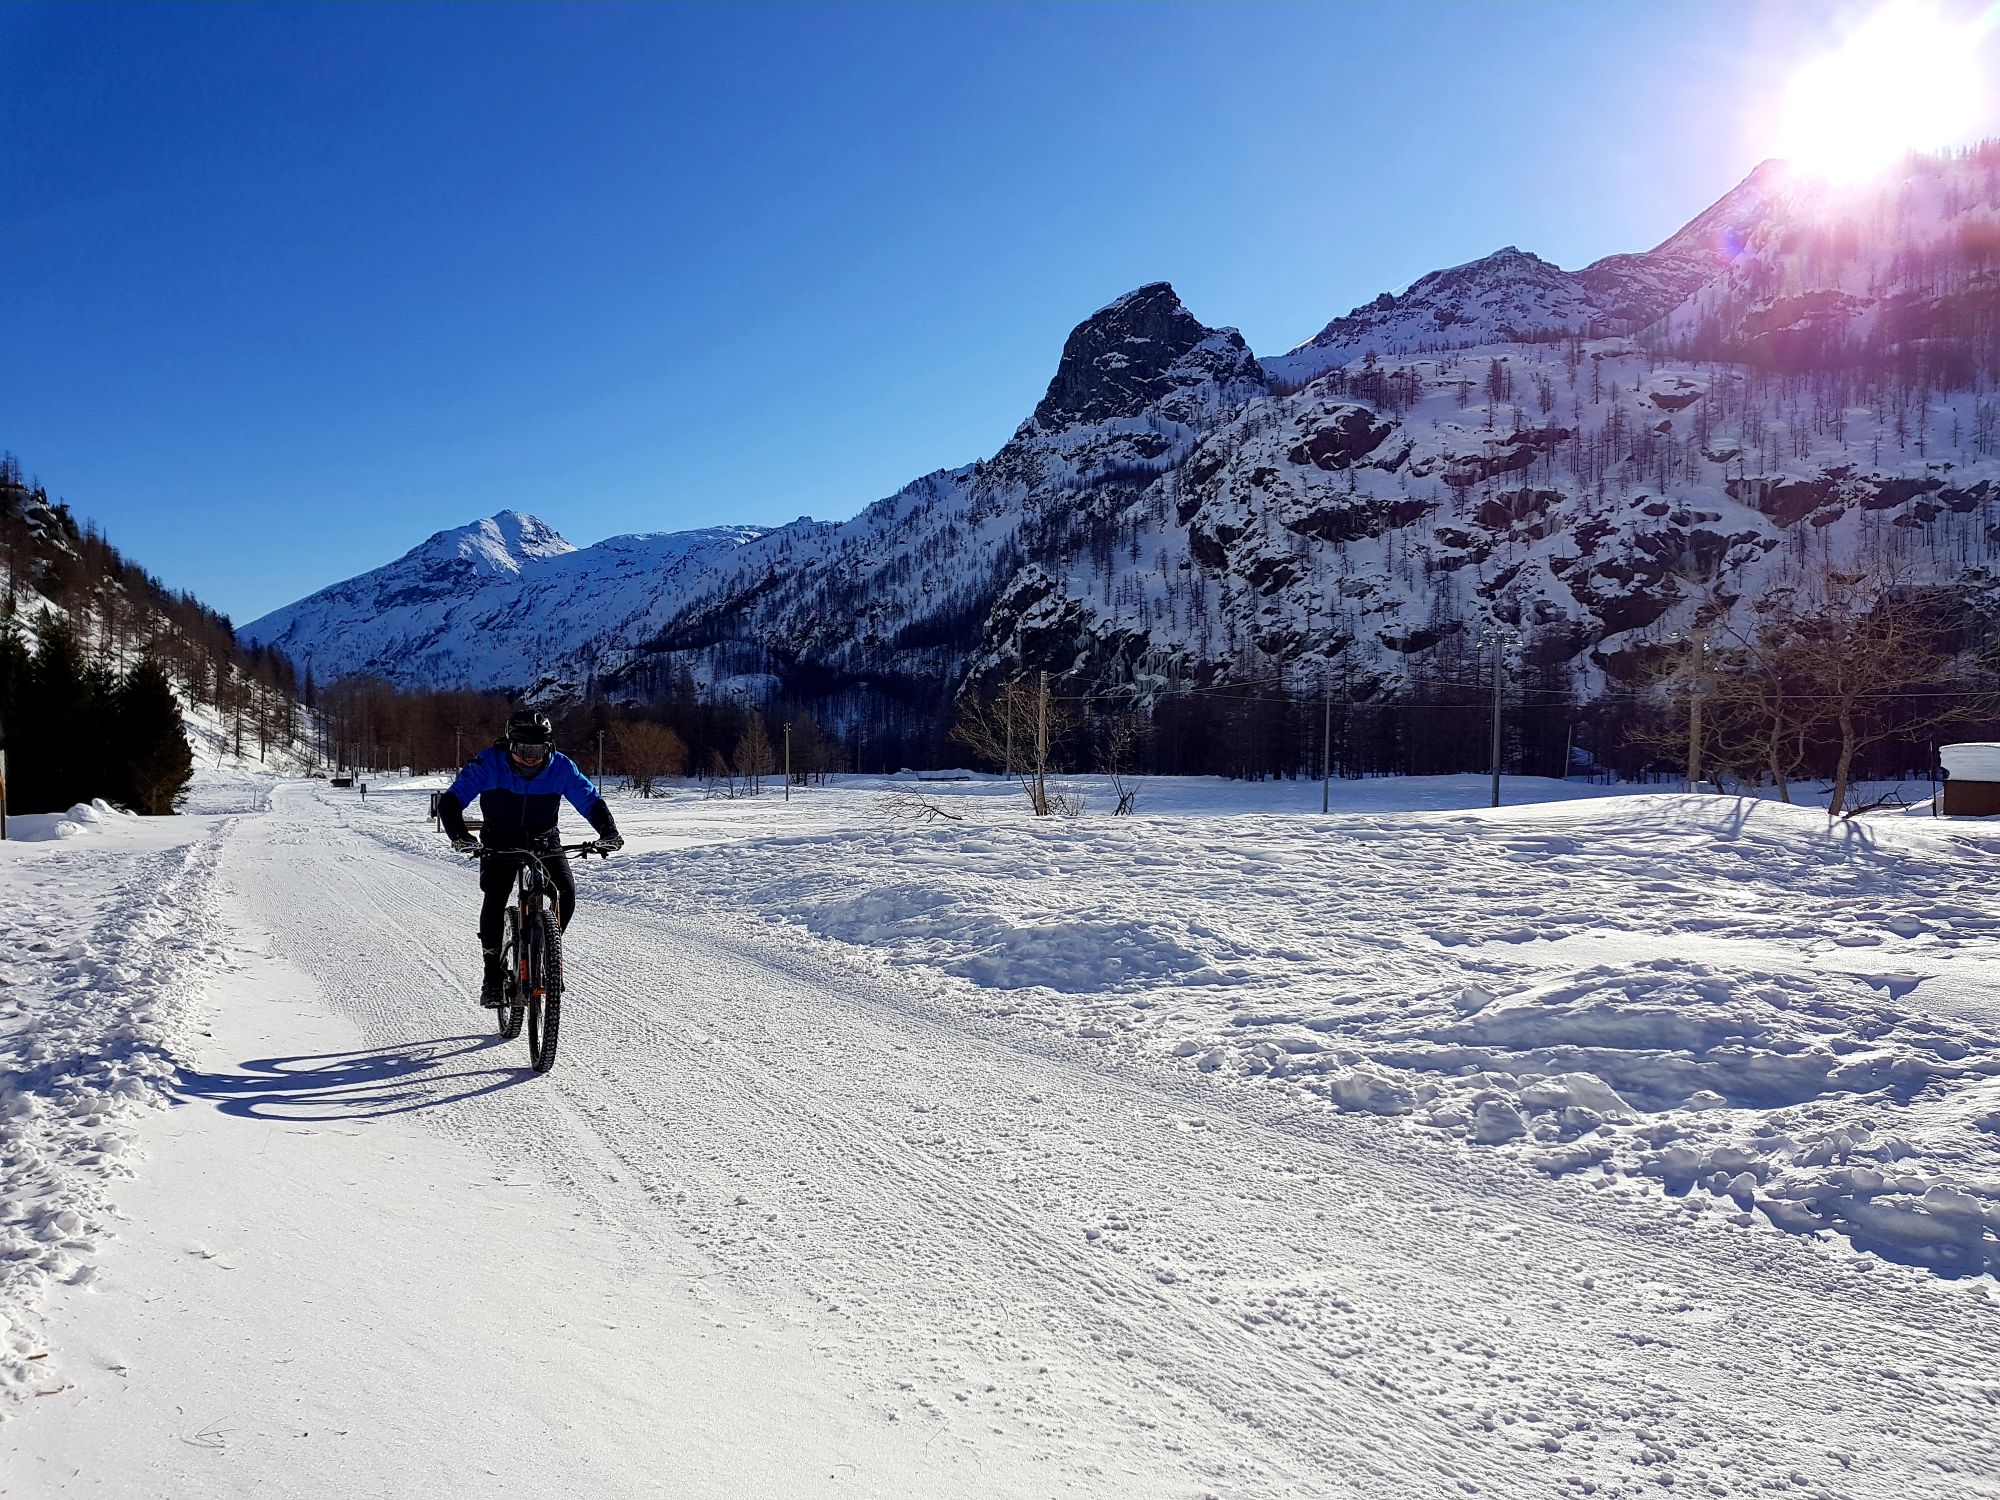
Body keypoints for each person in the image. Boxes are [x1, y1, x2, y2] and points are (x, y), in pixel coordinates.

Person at [436, 709, 624, 1005]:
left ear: (549, 746)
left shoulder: (561, 767)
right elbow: (450, 802)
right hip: (499, 840)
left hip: (545, 839)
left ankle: (546, 948)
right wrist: (460, 837)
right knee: (496, 896)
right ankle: (492, 975)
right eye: (523, 749)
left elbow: (590, 800)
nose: (531, 757)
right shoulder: (489, 763)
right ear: (510, 745)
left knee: (566, 892)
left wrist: (608, 832)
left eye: (538, 749)